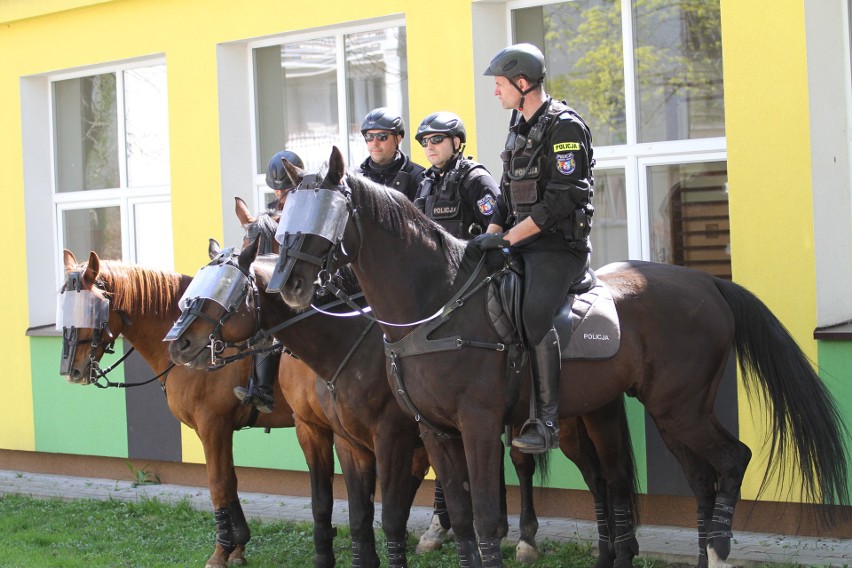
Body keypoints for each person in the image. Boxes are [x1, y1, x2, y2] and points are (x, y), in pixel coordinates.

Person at [476, 43, 595, 453]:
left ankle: (545, 422)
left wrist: (508, 238)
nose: (496, 92)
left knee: (533, 311)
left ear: (522, 84)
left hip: (560, 248)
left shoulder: (566, 127)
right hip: (521, 245)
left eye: (500, 85)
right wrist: (491, 235)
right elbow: (507, 197)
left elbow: (560, 201)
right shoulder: (518, 126)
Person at [233, 149, 304, 413]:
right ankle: (260, 390)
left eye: (285, 189)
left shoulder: (308, 206)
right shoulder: (270, 213)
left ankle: (262, 389)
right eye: (277, 189)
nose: (280, 194)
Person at [413, 111, 505, 238]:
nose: (429, 146)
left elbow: (499, 227)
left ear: (455, 142)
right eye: (424, 141)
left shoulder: (475, 179)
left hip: (471, 257)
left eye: (436, 139)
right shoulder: (425, 185)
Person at [357, 107, 426, 200]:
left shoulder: (418, 177)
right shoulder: (356, 177)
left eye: (382, 136)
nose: (375, 143)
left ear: (398, 139)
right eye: (369, 136)